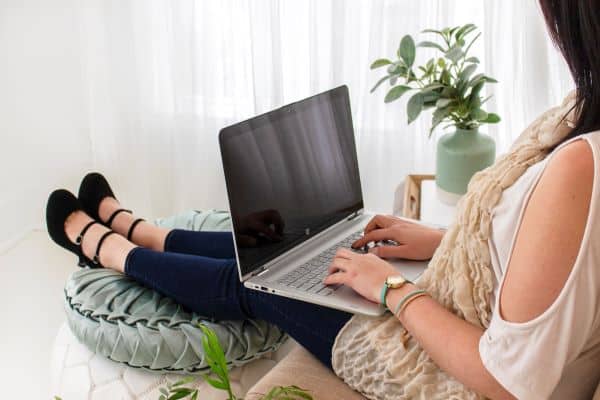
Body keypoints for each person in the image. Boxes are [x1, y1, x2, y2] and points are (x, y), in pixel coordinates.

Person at [46, 1, 600, 398]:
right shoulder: (586, 113)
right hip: (443, 306)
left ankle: (109, 250)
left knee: (256, 277)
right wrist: (440, 242)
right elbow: (540, 266)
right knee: (280, 248)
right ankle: (140, 231)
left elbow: (507, 381)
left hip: (426, 368)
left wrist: (389, 288)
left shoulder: (582, 164)